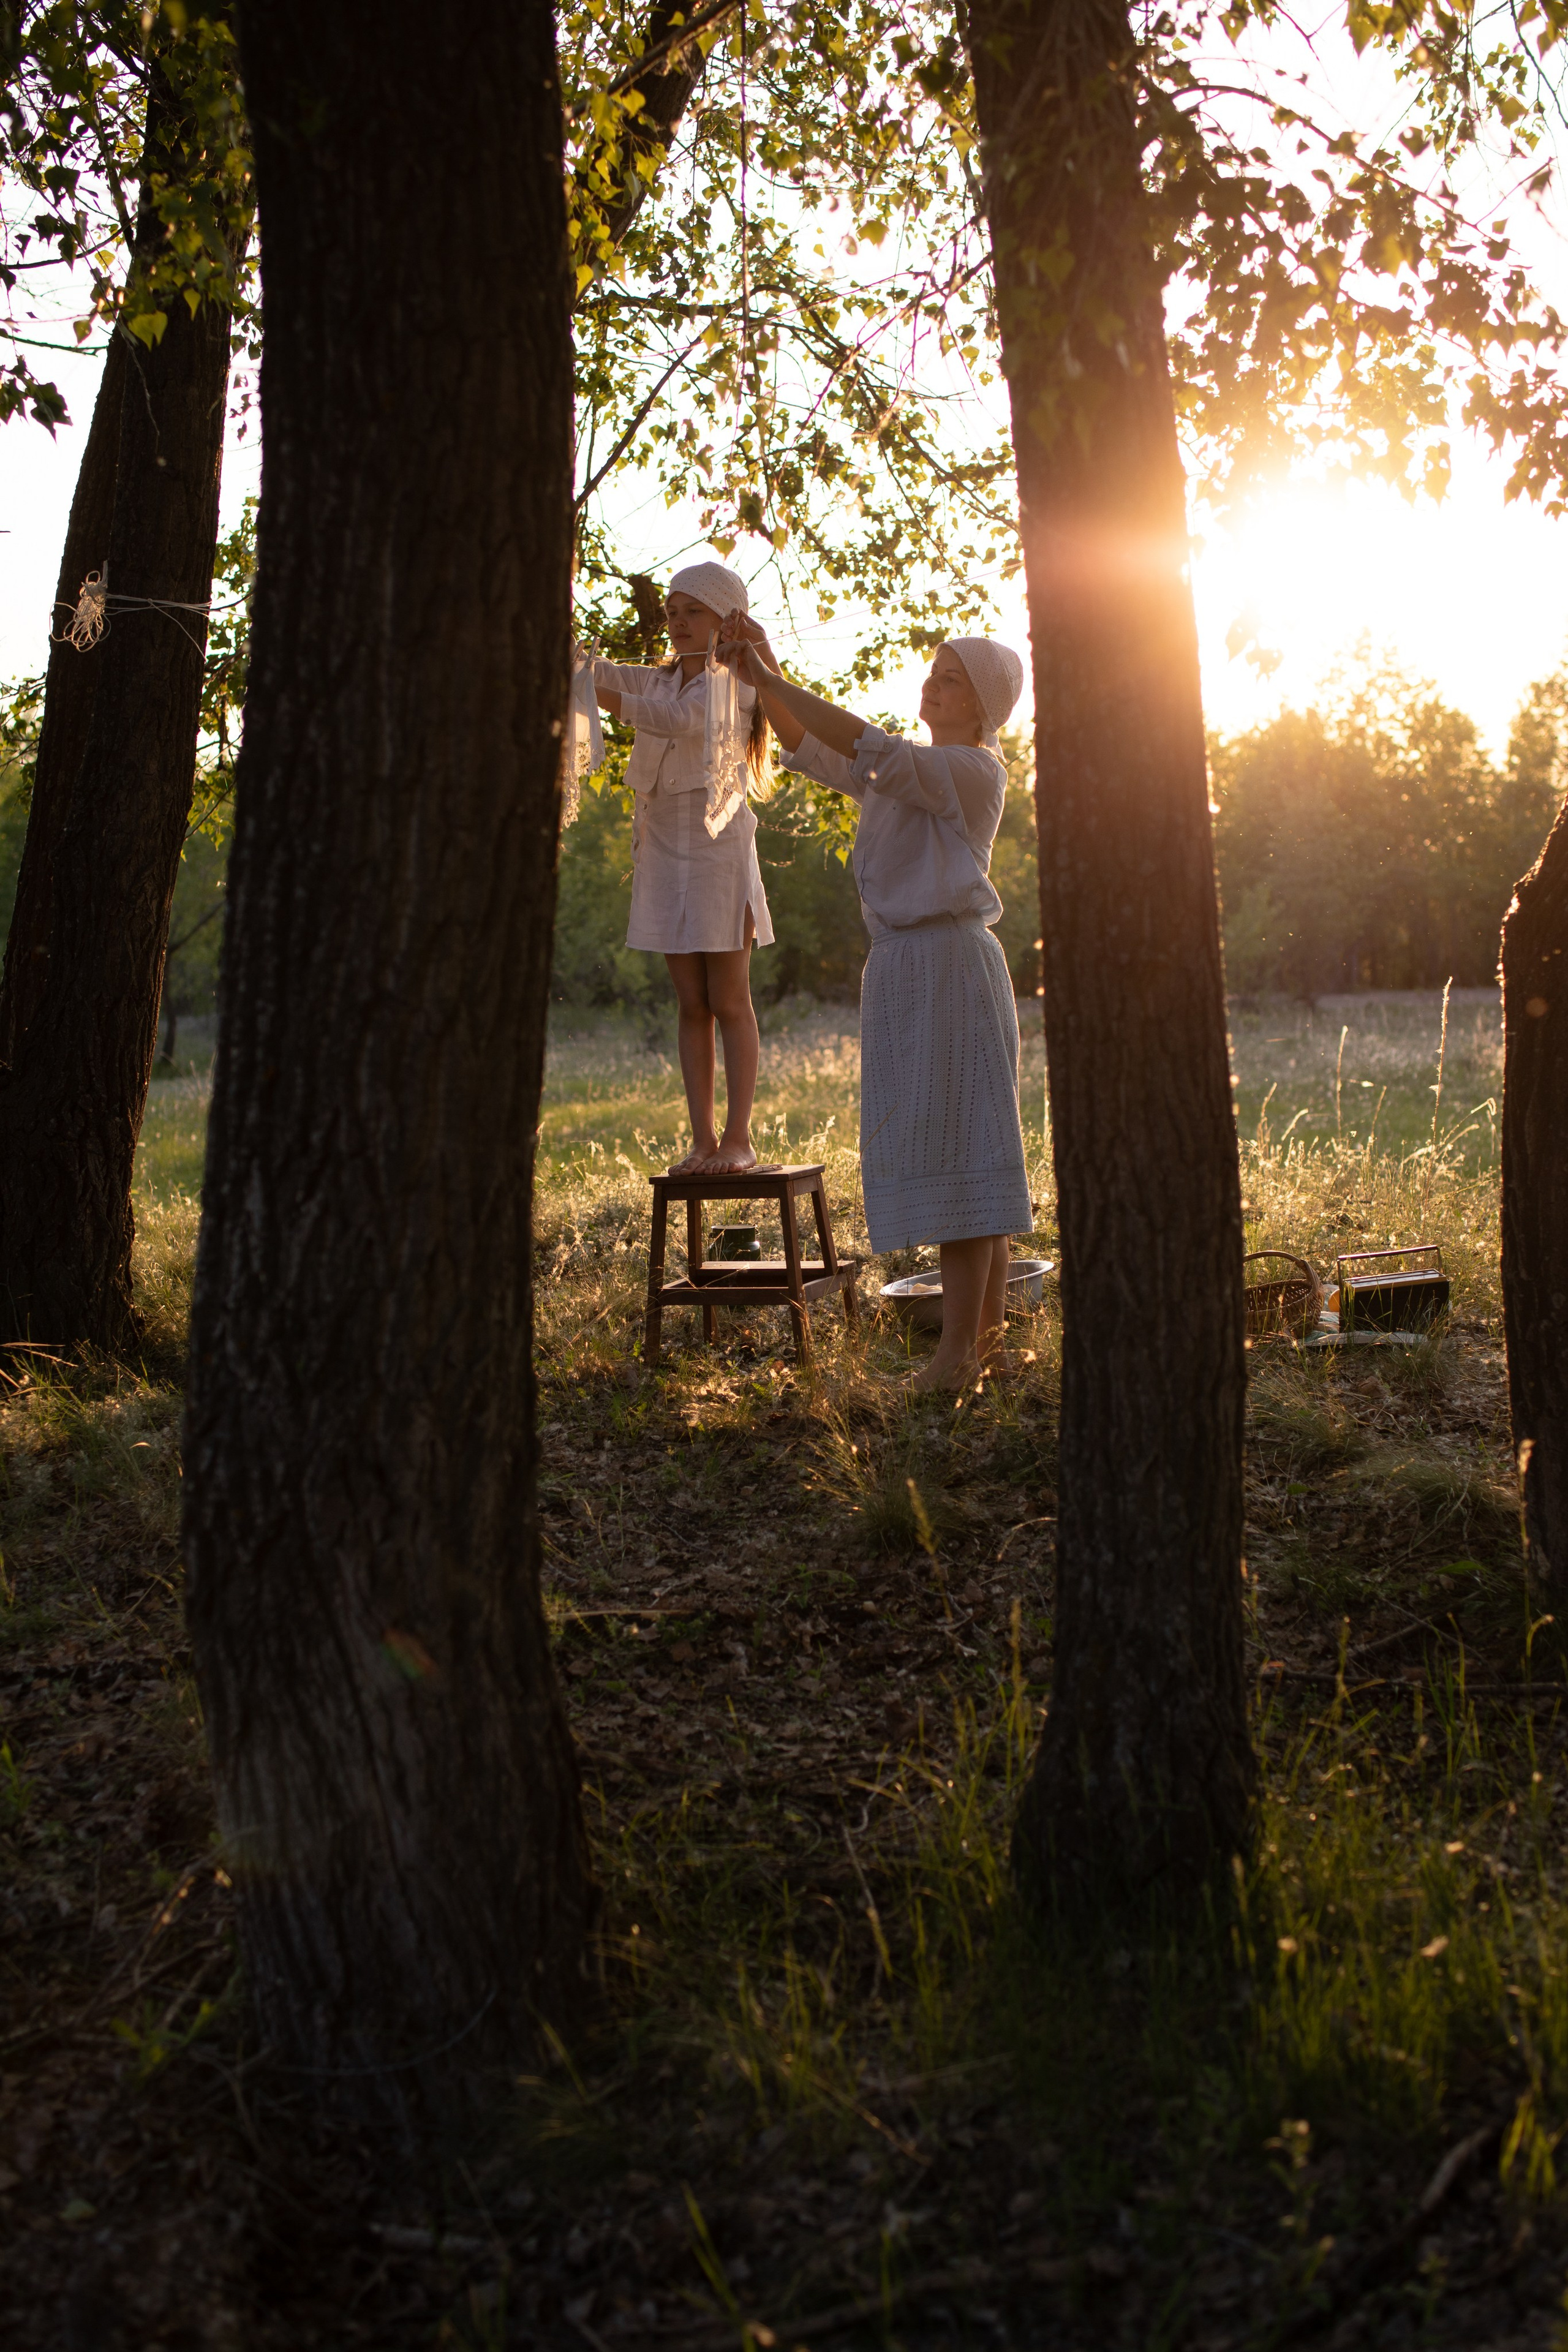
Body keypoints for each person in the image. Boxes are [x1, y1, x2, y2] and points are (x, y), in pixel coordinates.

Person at [724, 619, 1031, 1390]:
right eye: (932, 672)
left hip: (949, 966)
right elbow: (816, 744)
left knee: (966, 1159)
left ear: (983, 707)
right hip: (914, 968)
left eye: (950, 679)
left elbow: (862, 740)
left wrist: (770, 672)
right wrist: (765, 675)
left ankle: (957, 1357)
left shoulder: (970, 770)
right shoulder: (913, 770)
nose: (931, 685)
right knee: (964, 1154)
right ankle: (981, 1352)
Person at [589, 562, 774, 1176]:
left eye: (690, 611)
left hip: (720, 854)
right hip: (665, 849)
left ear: (727, 620)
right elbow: (610, 675)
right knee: (689, 1002)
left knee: (729, 998)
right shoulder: (665, 679)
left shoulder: (738, 681)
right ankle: (701, 1140)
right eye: (671, 612)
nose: (675, 622)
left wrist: (605, 694)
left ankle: (738, 1137)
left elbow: (673, 721)